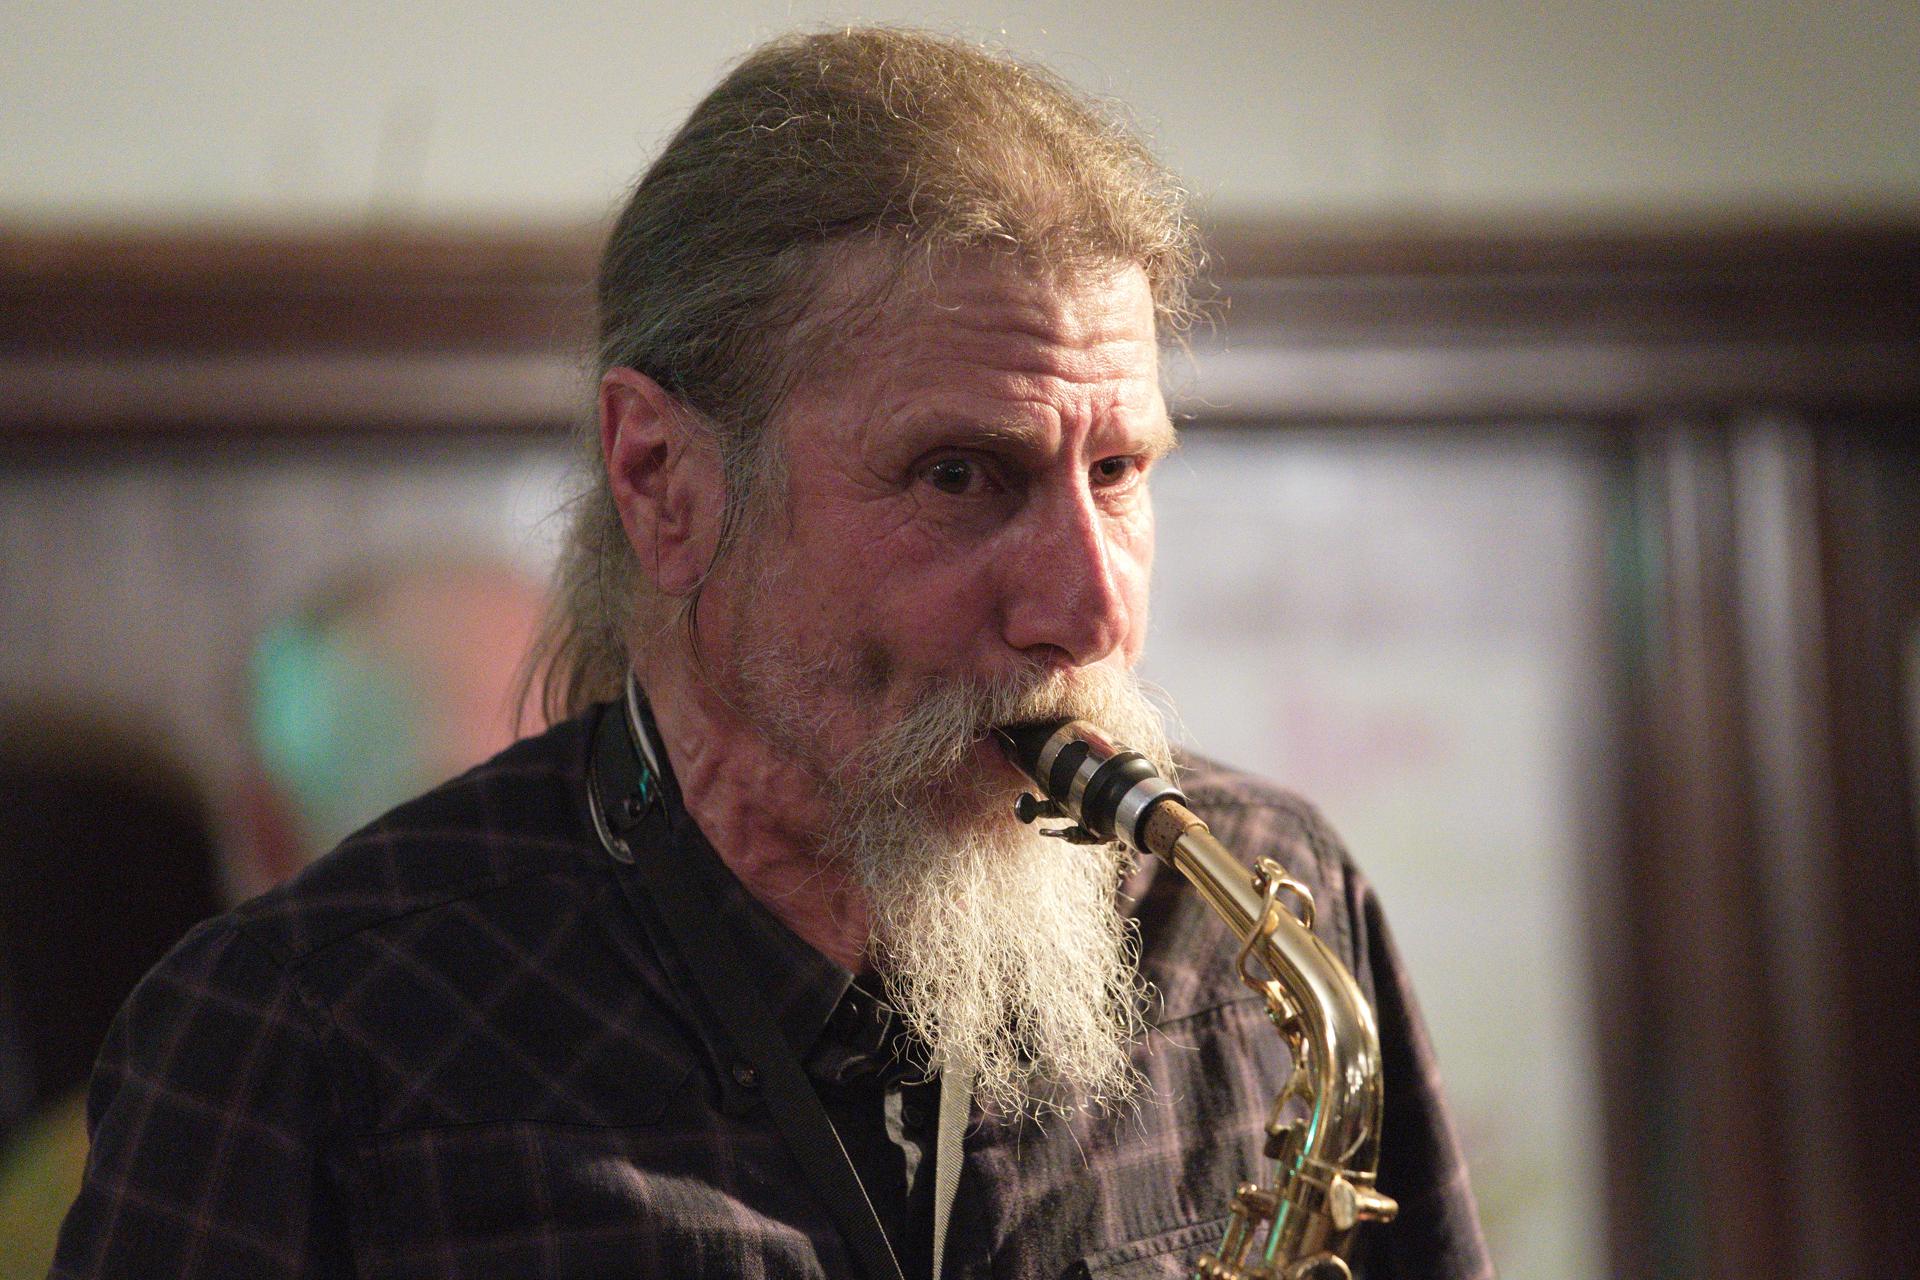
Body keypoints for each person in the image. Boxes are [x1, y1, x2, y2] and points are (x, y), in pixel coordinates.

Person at [52, 28, 1489, 1280]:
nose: (1091, 609)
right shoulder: (294, 1033)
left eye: (1116, 472)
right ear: (663, 480)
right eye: (959, 475)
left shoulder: (1269, 922)